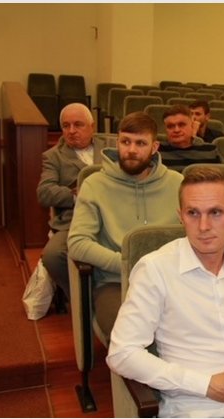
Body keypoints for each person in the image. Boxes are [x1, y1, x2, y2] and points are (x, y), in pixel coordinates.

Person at [107, 166, 224, 418]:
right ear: (180, 216)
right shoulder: (155, 269)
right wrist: (205, 385)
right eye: (193, 213)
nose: (203, 226)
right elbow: (122, 353)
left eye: (216, 212)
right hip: (193, 409)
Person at [67, 111, 183, 336]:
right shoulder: (94, 184)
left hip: (171, 280)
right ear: (117, 142)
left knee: (197, 330)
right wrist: (126, 265)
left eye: (140, 143)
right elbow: (77, 243)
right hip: (117, 282)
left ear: (154, 147)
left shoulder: (177, 183)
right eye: (125, 141)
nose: (131, 150)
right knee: (130, 336)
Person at [37, 102, 114, 301]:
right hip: (74, 219)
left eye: (78, 124)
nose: (71, 131)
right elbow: (44, 193)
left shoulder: (111, 147)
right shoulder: (53, 156)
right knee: (53, 256)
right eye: (66, 126)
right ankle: (82, 299)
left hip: (114, 214)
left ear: (92, 126)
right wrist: (76, 195)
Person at [159, 104, 221, 172]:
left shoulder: (210, 150)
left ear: (192, 126)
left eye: (182, 125)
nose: (176, 130)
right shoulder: (157, 152)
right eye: (170, 126)